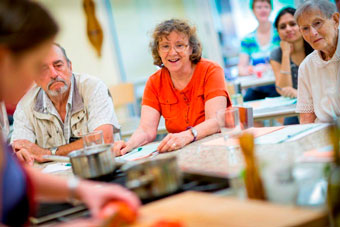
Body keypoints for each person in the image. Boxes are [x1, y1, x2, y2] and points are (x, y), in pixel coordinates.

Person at [0, 0, 139, 226]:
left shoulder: (90, 86)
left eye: (58, 65)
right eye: (36, 65)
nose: (38, 78)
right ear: (5, 58)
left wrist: (82, 190)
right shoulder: (25, 102)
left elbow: (13, 176)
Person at [114, 19, 231, 156]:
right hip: (183, 152)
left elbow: (216, 121)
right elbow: (146, 130)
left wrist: (188, 135)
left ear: (191, 48)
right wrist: (128, 145)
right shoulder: (154, 82)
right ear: (158, 51)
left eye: (179, 45)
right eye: (165, 46)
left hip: (220, 146)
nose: (172, 52)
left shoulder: (211, 70)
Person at [11, 43, 120, 164]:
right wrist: (22, 154)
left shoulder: (93, 87)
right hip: (55, 178)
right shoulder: (25, 106)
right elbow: (20, 148)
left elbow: (103, 139)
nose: (53, 74)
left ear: (70, 66)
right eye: (43, 69)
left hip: (100, 168)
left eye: (58, 65)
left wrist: (48, 153)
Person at [295, 0, 340, 123]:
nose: (313, 33)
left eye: (318, 23)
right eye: (305, 28)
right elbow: (306, 118)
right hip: (323, 134)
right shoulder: (306, 66)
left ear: (335, 20)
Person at [269, 7, 314, 125]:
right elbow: (283, 88)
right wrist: (285, 54)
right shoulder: (276, 53)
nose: (288, 29)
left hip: (318, 105)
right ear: (278, 32)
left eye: (292, 24)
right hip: (294, 109)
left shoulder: (314, 46)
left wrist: (297, 93)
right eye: (282, 27)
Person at [238, 0, 280, 101]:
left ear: (271, 9)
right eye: (259, 7)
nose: (263, 10)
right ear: (253, 10)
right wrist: (252, 69)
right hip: (258, 88)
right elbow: (241, 68)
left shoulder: (280, 33)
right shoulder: (247, 39)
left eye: (266, 6)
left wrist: (266, 67)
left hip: (279, 85)